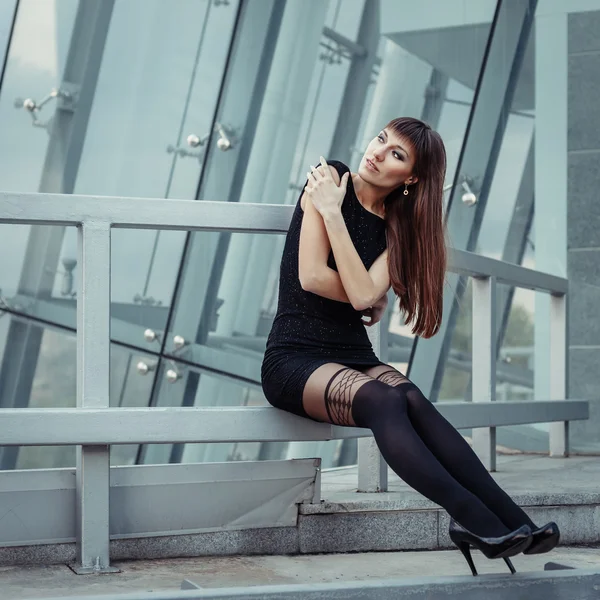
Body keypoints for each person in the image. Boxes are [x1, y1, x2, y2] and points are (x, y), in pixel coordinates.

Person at [261, 117, 559, 576]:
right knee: (384, 400)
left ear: (412, 178)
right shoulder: (331, 179)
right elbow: (313, 278)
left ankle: (511, 518)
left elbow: (363, 294)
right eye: (381, 140)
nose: (378, 153)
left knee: (412, 398)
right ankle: (471, 518)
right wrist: (365, 286)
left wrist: (345, 239)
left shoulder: (398, 229)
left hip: (351, 352)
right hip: (294, 357)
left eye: (396, 154)